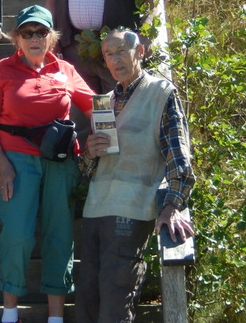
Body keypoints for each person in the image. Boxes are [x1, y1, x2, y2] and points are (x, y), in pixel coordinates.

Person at [0, 5, 94, 323]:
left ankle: (56, 317)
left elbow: (98, 108)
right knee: (18, 234)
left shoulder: (65, 70)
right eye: (27, 33)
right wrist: (2, 165)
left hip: (60, 162)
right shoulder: (3, 70)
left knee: (60, 234)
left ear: (51, 38)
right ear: (16, 38)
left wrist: (96, 144)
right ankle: (10, 312)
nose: (34, 38)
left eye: (41, 32)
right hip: (15, 161)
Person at [76, 29, 194, 323]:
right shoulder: (103, 102)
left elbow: (180, 160)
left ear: (139, 51)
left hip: (131, 214)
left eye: (120, 51)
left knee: (115, 307)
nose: (115, 60)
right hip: (94, 212)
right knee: (86, 303)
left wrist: (171, 206)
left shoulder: (161, 94)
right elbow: (87, 171)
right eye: (108, 54)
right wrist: (89, 153)